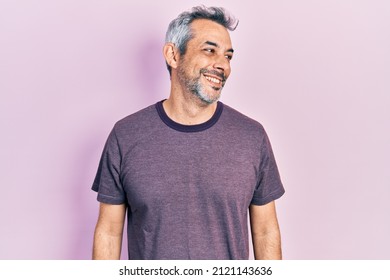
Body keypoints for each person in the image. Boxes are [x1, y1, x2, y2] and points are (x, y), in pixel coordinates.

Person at [92, 6, 285, 260]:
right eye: (209, 50)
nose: (222, 65)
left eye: (228, 56)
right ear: (173, 54)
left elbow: (265, 230)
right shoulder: (126, 136)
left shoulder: (252, 137)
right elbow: (109, 231)